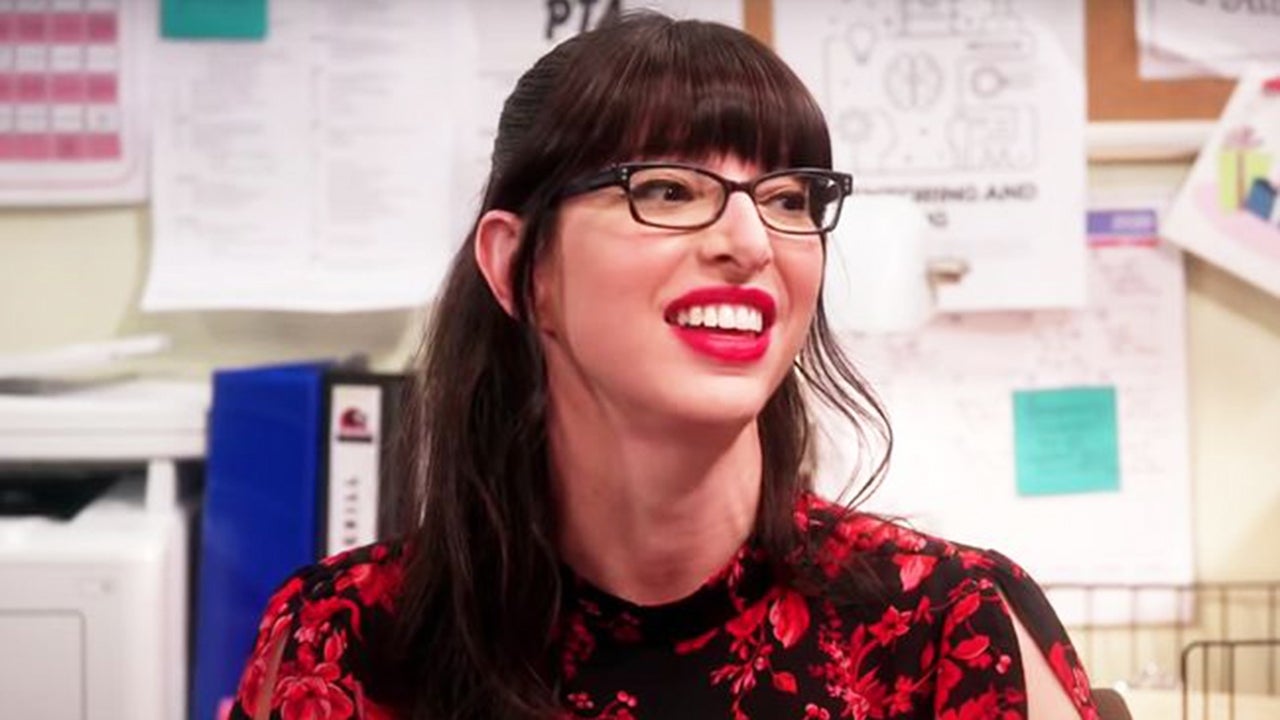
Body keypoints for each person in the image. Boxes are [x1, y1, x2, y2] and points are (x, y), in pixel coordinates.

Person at [229, 12, 1098, 720]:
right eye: (669, 190)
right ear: (520, 267)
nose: (751, 243)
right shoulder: (342, 643)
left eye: (788, 198)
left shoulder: (947, 630)